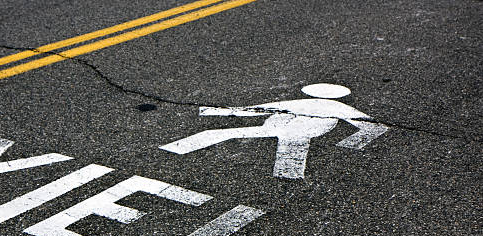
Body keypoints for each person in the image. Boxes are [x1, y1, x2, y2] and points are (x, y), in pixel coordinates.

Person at [160, 84, 388, 179]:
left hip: (293, 129)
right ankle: (287, 179)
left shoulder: (332, 106)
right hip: (294, 129)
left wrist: (216, 112)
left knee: (228, 133)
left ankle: (286, 182)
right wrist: (353, 142)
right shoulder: (340, 107)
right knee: (290, 152)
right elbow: (369, 127)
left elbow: (258, 110)